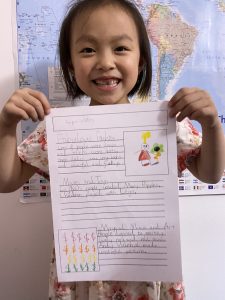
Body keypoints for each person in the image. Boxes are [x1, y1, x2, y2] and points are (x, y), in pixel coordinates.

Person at [0, 0, 224, 299]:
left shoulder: (166, 123)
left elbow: (210, 174)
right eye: (88, 50)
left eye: (120, 48)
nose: (105, 61)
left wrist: (212, 125)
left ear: (142, 61)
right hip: (83, 274)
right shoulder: (57, 130)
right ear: (70, 65)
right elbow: (7, 181)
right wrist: (5, 126)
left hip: (149, 269)